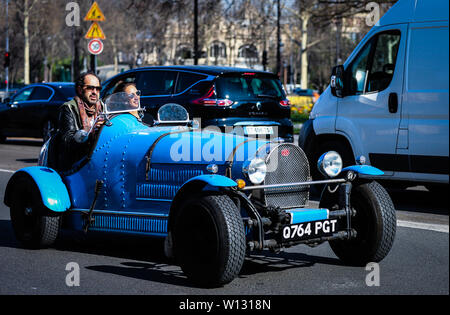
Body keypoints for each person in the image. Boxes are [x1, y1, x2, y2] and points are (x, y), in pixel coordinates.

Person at [57, 71, 104, 171]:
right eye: (90, 88)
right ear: (79, 89)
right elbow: (67, 141)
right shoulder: (69, 108)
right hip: (75, 164)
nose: (95, 92)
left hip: (99, 159)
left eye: (98, 88)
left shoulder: (103, 107)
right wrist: (91, 134)